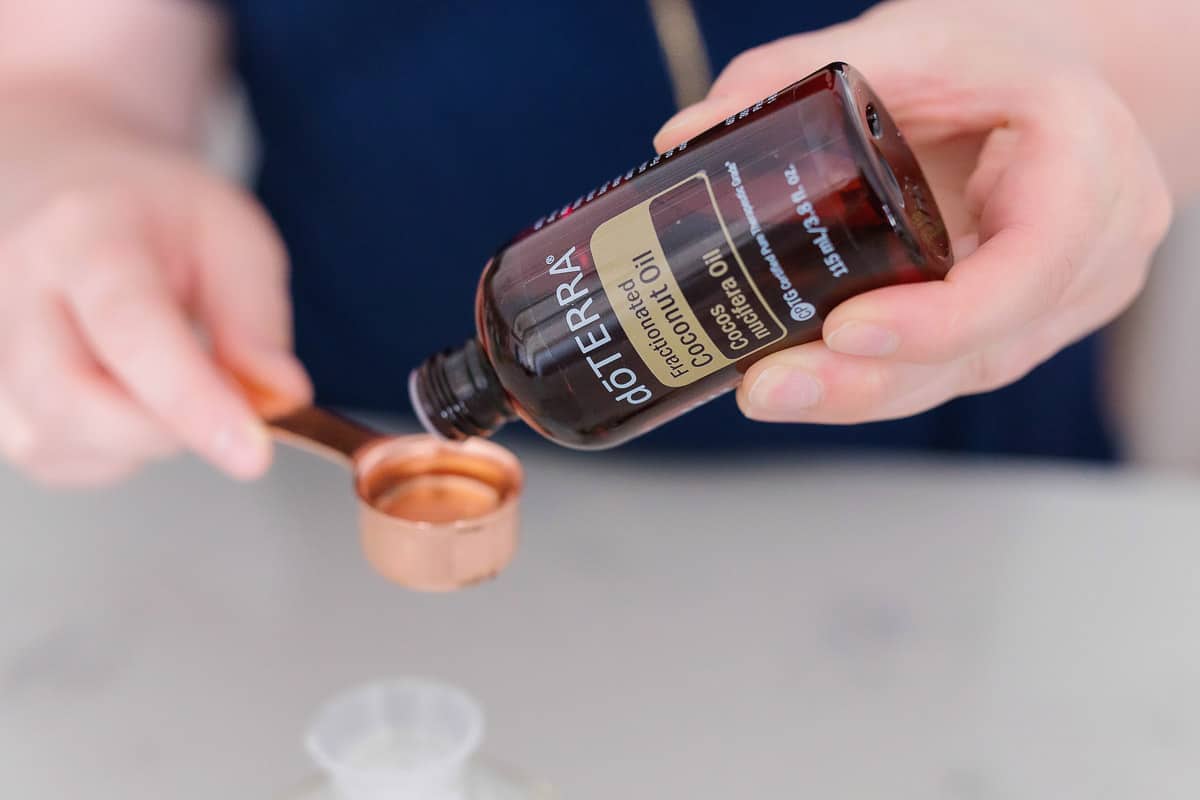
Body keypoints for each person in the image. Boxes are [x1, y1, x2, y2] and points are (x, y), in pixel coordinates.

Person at [0, 0, 1193, 487]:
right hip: (336, 432)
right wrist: (68, 167)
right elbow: (66, 59)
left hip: (947, 471)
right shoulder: (519, 341)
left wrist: (1076, 93)